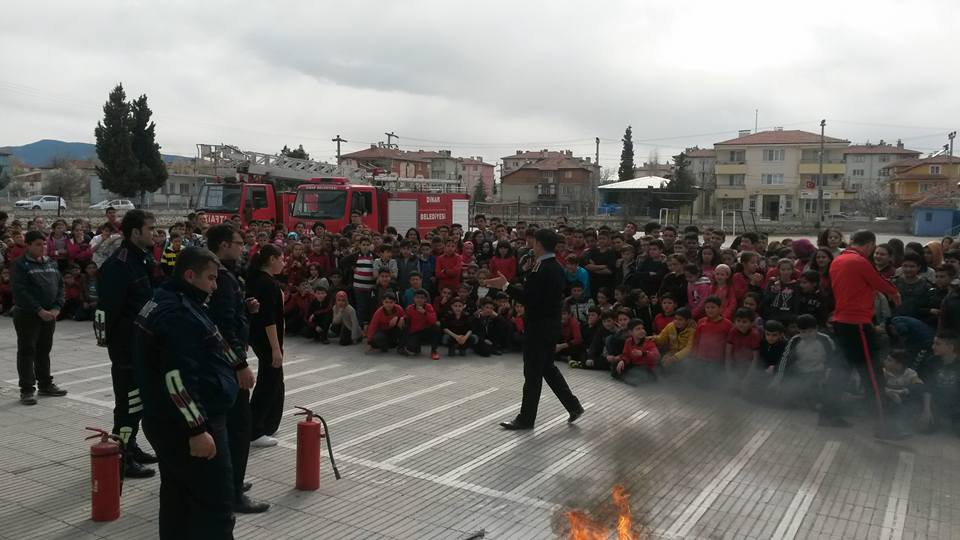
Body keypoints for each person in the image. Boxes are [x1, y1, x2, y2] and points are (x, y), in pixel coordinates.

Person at [133, 247, 238, 539]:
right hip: (187, 424)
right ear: (190, 275)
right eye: (211, 279)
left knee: (177, 500)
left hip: (165, 420)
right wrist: (197, 429)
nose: (215, 286)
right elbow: (176, 380)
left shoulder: (166, 299)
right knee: (215, 506)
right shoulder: (178, 313)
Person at [485, 228, 584, 430]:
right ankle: (573, 406)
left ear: (539, 244)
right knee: (547, 368)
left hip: (538, 327)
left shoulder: (543, 268)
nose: (530, 243)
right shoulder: (554, 265)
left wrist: (505, 286)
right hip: (550, 325)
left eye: (533, 241)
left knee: (532, 374)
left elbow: (529, 298)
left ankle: (526, 419)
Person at [205, 224, 269, 514]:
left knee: (229, 426)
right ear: (222, 245)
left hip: (221, 360)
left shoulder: (223, 274)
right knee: (238, 427)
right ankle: (232, 492)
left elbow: (228, 314)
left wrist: (246, 307)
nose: (243, 247)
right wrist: (240, 364)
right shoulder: (220, 276)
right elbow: (224, 326)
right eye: (238, 242)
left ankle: (230, 481)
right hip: (227, 363)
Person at [96, 209, 158, 478]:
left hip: (142, 345)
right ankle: (121, 456)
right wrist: (110, 344)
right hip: (126, 348)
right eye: (150, 229)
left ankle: (130, 445)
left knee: (139, 402)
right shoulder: (118, 265)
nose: (154, 233)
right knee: (129, 403)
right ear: (135, 232)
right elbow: (105, 310)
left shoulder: (143, 260)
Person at [822, 230, 902, 437]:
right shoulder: (859, 261)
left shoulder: (838, 260)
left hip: (841, 322)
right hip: (857, 324)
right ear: (869, 245)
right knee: (872, 374)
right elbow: (879, 281)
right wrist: (894, 293)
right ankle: (883, 424)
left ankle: (828, 414)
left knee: (841, 370)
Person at [11, 230, 68, 405]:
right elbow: (21, 291)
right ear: (27, 246)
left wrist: (57, 307)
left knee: (44, 350)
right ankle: (27, 389)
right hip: (28, 315)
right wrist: (39, 310)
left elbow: (60, 286)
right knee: (27, 351)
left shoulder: (51, 262)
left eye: (43, 244)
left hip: (50, 315)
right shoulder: (20, 265)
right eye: (37, 244)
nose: (42, 247)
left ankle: (45, 384)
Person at [247, 244, 286, 447]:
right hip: (267, 340)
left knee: (276, 382)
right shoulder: (267, 284)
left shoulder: (257, 280)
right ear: (271, 259)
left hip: (258, 337)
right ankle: (254, 431)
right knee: (268, 382)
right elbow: (268, 319)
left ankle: (268, 424)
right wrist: (275, 349)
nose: (283, 262)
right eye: (281, 258)